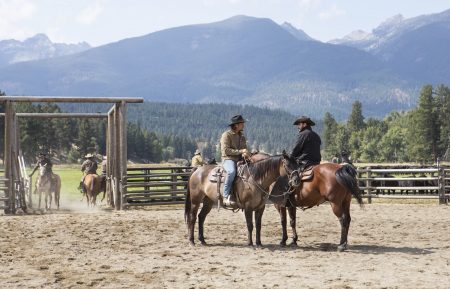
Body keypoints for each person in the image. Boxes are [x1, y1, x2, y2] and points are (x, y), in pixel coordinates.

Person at [220, 114, 250, 206]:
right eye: (242, 123)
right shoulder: (226, 135)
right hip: (228, 159)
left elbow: (244, 149)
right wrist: (241, 151)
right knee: (231, 171)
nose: (243, 125)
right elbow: (225, 150)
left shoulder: (242, 136)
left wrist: (247, 154)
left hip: (240, 160)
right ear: (236, 125)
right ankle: (225, 195)